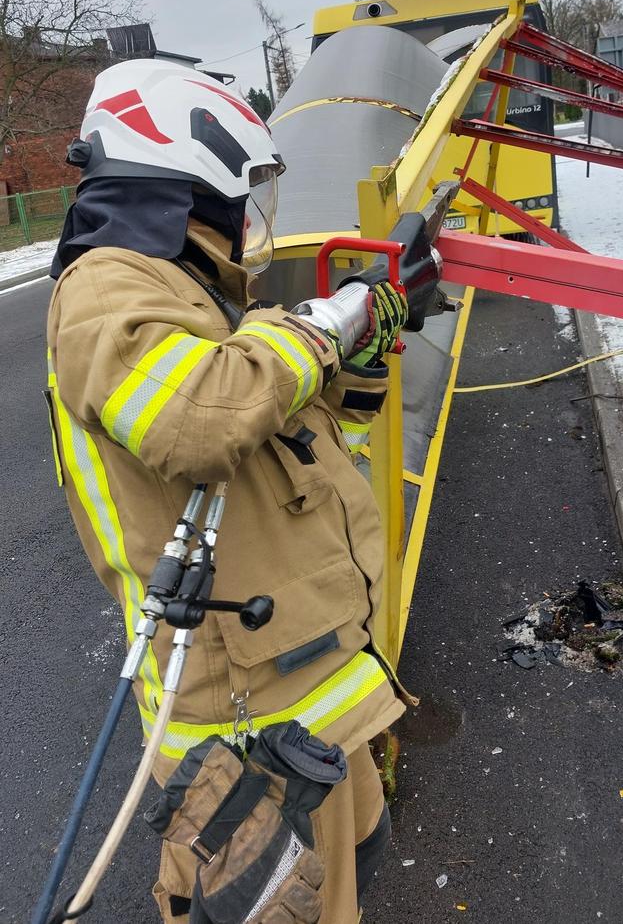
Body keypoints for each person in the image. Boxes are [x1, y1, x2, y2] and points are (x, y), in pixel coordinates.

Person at [45, 58, 411, 923]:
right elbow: (203, 419)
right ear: (190, 171)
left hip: (308, 686)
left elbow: (297, 464)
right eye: (244, 188)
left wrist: (355, 373)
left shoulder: (191, 296)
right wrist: (327, 321)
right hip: (237, 724)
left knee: (342, 882)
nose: (248, 214)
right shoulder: (105, 285)